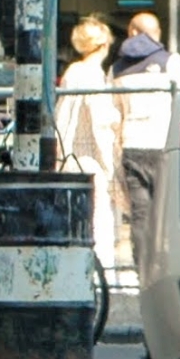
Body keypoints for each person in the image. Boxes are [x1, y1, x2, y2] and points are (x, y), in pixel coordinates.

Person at [107, 9, 180, 283]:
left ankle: (144, 274)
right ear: (156, 35)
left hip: (133, 146)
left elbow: (113, 114)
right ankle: (169, 273)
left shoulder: (116, 69)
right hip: (166, 147)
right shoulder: (172, 63)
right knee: (169, 212)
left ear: (131, 32)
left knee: (141, 215)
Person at [56, 15, 122, 268]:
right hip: (90, 156)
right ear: (104, 45)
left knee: (74, 218)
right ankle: (100, 273)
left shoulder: (72, 71)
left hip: (70, 153)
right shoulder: (94, 75)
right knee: (99, 219)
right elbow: (99, 121)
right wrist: (110, 162)